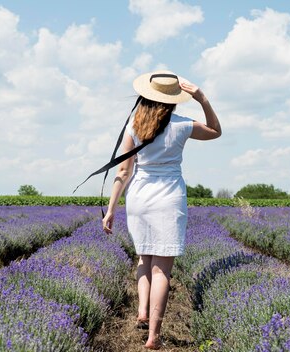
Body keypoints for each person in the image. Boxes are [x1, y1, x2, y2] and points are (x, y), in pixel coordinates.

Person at [102, 70, 221, 349]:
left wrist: (110, 210)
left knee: (144, 259)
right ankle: (154, 335)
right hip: (169, 200)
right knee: (161, 271)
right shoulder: (182, 125)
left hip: (140, 199)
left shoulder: (134, 127)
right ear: (174, 100)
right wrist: (202, 98)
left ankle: (142, 310)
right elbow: (216, 132)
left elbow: (122, 170)